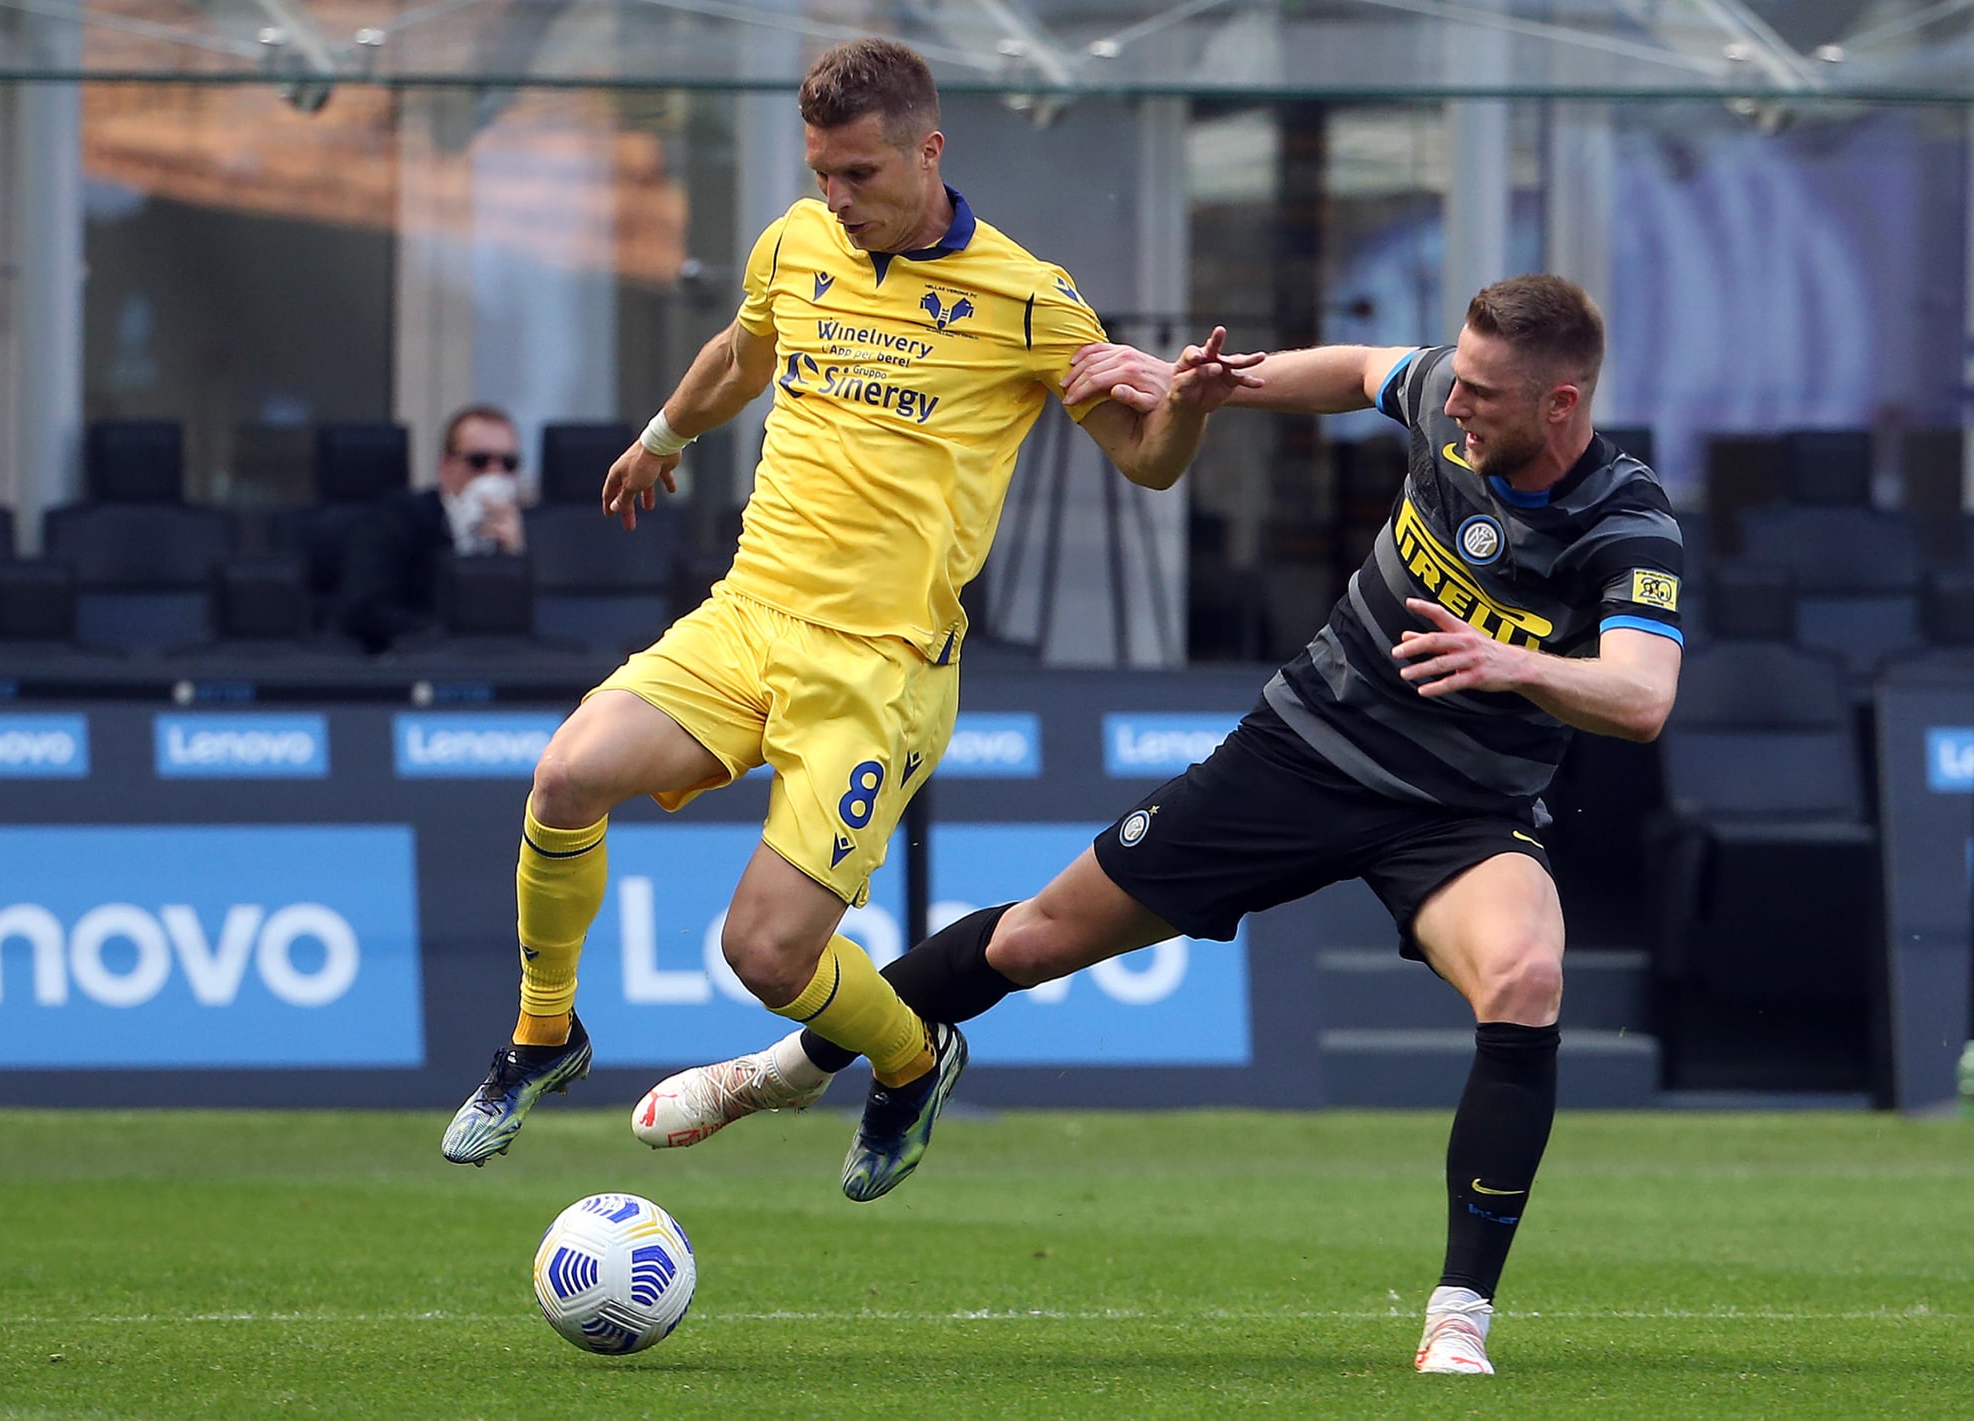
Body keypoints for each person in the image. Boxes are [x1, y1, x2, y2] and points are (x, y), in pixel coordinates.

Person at [636, 274, 1685, 1376]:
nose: (1456, 401)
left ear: (1561, 403)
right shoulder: (1446, 399)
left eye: (1483, 393)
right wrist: (1212, 387)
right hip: (1300, 753)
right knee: (1033, 937)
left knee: (1523, 975)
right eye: (1456, 380)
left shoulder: (1626, 521)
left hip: (1459, 810)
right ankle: (783, 1069)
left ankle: (1458, 1314)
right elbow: (1356, 370)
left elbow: (1642, 695)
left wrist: (1510, 663)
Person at [439, 37, 1255, 1198]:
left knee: (764, 953)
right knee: (567, 774)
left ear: (928, 152)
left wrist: (1184, 406)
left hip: (879, 670)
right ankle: (542, 1034)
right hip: (748, 614)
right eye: (822, 173)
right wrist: (662, 437)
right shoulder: (795, 241)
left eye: (859, 174)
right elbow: (742, 351)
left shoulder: (1029, 300)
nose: (837, 197)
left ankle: (913, 1061)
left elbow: (1146, 461)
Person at [335, 404, 526, 653]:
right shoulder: (397, 519)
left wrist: (514, 559)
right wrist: (442, 633)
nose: (495, 473)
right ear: (445, 468)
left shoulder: (530, 529)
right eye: (479, 461)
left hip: (501, 662)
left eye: (509, 463)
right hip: (416, 661)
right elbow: (364, 609)